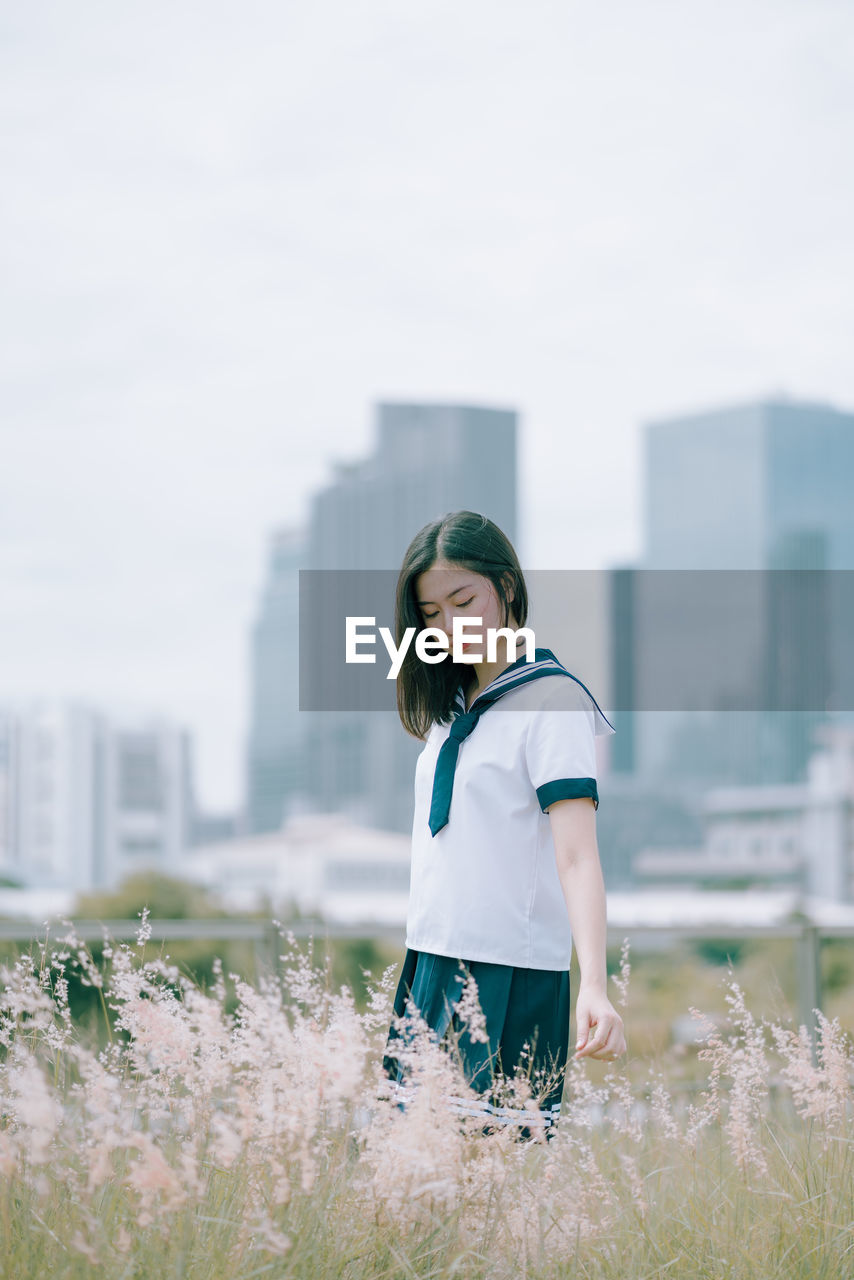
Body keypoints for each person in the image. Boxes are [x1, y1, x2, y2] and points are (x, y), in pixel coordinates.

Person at [381, 510, 627, 1141]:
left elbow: (577, 858)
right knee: (412, 1176)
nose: (448, 625)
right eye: (431, 613)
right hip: (432, 960)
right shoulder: (448, 709)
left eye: (463, 601)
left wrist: (594, 985)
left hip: (509, 970)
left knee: (492, 1182)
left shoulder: (552, 699)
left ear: (508, 587)